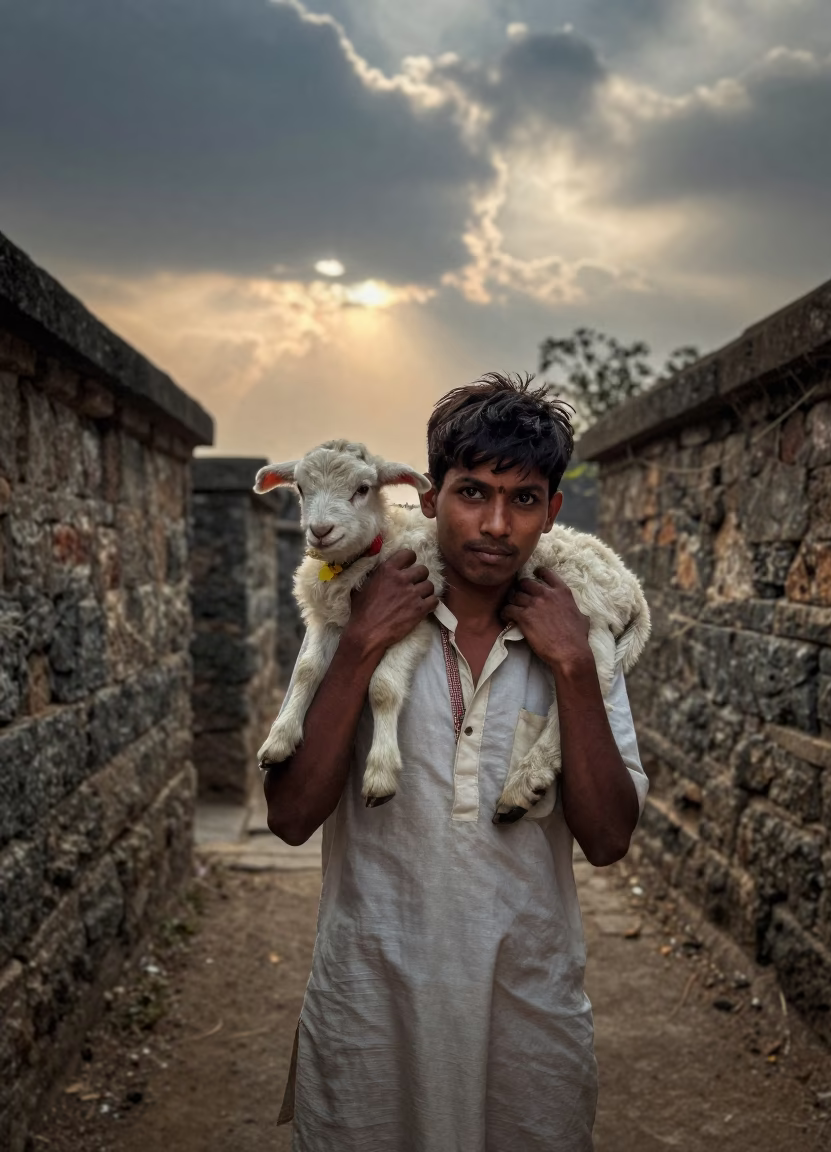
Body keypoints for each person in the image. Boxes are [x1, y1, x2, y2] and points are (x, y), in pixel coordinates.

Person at [264, 372, 649, 1152]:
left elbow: (608, 839)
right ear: (429, 497)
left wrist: (574, 668)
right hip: (370, 1011)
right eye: (473, 492)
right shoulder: (353, 615)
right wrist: (367, 640)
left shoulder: (574, 637)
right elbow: (291, 816)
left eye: (524, 500)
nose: (497, 525)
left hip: (528, 1017)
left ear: (553, 511)